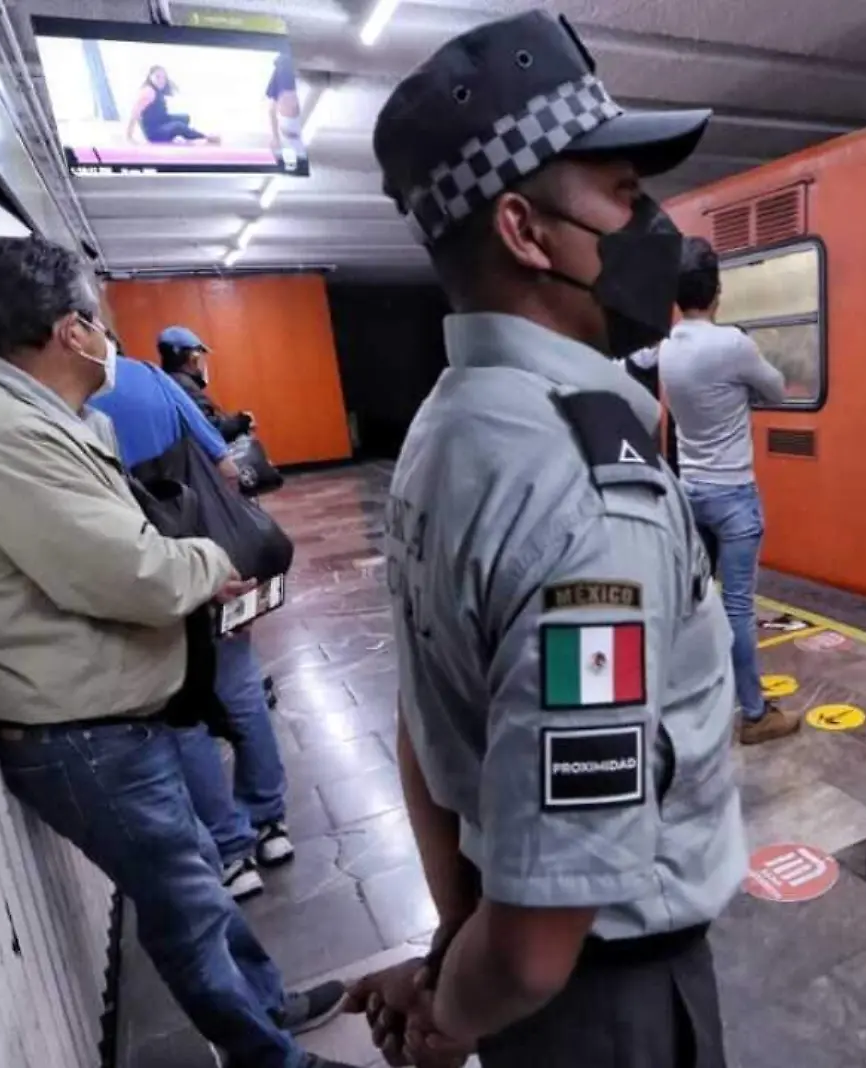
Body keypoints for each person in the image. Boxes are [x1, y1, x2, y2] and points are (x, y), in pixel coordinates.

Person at [341, 11, 744, 1068]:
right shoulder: (581, 492)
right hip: (603, 1004)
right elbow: (534, 943)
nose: (653, 222)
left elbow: (422, 726)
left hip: (522, 958)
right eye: (622, 193)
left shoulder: (449, 422)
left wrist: (447, 951)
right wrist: (455, 1011)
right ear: (523, 231)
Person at [0, 236, 348, 1068]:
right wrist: (216, 562)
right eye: (95, 318)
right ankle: (270, 1059)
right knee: (188, 908)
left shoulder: (49, 421)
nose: (106, 337)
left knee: (198, 879)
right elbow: (134, 574)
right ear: (66, 331)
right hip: (85, 734)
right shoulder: (8, 440)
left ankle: (268, 1007)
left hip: (116, 718)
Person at [90, 353, 298, 901]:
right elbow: (227, 466)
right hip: (217, 559)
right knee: (241, 689)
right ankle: (269, 824)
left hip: (151, 576)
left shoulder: (73, 409)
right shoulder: (154, 381)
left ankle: (232, 855)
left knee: (185, 715)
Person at [656, 237, 798, 745]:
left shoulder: (668, 347)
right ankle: (755, 714)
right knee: (738, 607)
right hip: (734, 495)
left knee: (697, 603)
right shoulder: (733, 345)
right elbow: (778, 387)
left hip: (690, 489)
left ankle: (695, 701)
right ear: (717, 291)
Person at [159, 325, 254, 442]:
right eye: (199, 353)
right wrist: (242, 422)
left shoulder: (167, 382)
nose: (201, 363)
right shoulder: (184, 386)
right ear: (189, 357)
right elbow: (210, 430)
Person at [127, 66, 219, 145]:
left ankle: (180, 136)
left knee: (185, 118)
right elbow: (134, 113)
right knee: (178, 126)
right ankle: (205, 137)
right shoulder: (148, 92)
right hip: (154, 132)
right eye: (157, 77)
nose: (161, 80)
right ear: (150, 77)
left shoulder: (157, 88)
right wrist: (129, 137)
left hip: (161, 121)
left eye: (163, 77)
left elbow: (174, 89)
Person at [267, 52, 304, 168]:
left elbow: (272, 107)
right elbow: (272, 106)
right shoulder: (284, 65)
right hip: (289, 132)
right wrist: (275, 137)